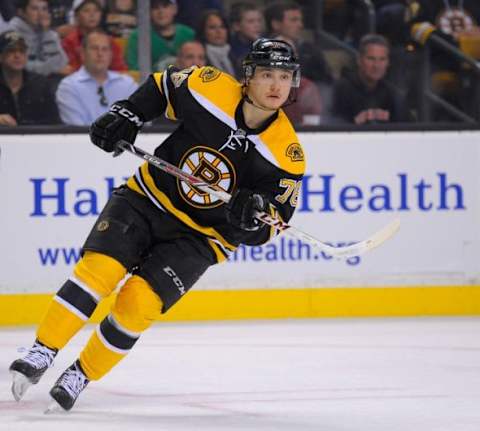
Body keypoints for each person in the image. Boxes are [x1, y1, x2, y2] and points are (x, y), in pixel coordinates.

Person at [9, 37, 305, 412]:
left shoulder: (287, 155)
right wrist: (128, 114)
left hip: (201, 238)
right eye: (267, 74)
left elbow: (271, 224)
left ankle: (80, 374)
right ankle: (41, 351)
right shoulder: (209, 86)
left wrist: (252, 216)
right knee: (99, 270)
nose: (276, 85)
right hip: (146, 199)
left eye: (284, 76)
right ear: (248, 76)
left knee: (138, 304)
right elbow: (162, 86)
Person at [56, 30, 137, 125]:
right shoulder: (68, 86)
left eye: (105, 49)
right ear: (82, 53)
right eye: (94, 48)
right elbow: (77, 130)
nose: (100, 54)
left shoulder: (128, 84)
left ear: (111, 55)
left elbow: (140, 123)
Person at [331, 33, 410, 124]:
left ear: (388, 63)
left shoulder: (394, 95)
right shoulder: (340, 91)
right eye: (371, 59)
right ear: (359, 60)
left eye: (382, 59)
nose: (376, 65)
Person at [0, 30, 60, 125]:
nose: (17, 55)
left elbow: (55, 122)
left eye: (22, 51)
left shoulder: (41, 84)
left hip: (39, 138)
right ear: (1, 56)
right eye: (11, 51)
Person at [125, 0, 195, 71]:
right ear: (148, 12)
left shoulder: (189, 34)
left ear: (174, 9)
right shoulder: (138, 36)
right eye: (155, 8)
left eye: (165, 6)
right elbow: (133, 68)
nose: (161, 12)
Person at [62, 0, 127, 73]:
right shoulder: (69, 42)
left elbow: (120, 70)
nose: (92, 15)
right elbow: (71, 71)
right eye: (86, 11)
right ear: (76, 15)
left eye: (96, 11)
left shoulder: (110, 42)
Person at [7, 0, 68, 77]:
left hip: (45, 81)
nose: (41, 14)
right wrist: (51, 68)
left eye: (44, 9)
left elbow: (62, 62)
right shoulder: (11, 32)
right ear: (21, 12)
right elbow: (19, 66)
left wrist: (46, 32)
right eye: (34, 9)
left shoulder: (49, 33)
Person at [229, 1, 264, 77]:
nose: (257, 25)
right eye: (251, 21)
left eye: (259, 20)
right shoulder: (229, 49)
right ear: (236, 26)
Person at [196, 9, 235, 76]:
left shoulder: (236, 55)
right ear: (203, 31)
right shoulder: (198, 55)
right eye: (212, 27)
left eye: (222, 27)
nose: (219, 31)